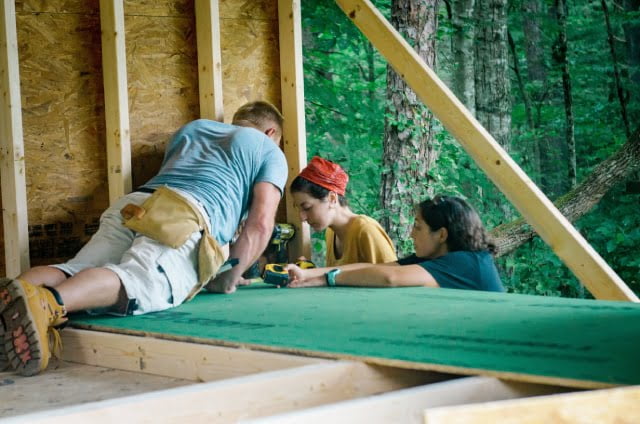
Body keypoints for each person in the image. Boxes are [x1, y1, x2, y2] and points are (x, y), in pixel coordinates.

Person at [0, 101, 288, 376]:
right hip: (183, 215)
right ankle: (48, 303)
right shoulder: (268, 149)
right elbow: (261, 224)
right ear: (270, 132)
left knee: (77, 269)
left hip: (135, 203)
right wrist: (230, 276)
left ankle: (16, 300)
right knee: (137, 282)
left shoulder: (195, 128)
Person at [285, 194, 504, 292]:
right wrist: (309, 275)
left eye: (418, 227)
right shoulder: (434, 259)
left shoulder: (467, 262)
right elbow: (372, 268)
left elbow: (390, 278)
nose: (411, 234)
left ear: (442, 235)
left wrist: (327, 280)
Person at [290, 156, 397, 266]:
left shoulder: (366, 229)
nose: (302, 217)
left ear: (332, 198)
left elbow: (392, 276)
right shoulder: (331, 233)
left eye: (307, 208)